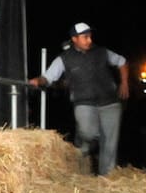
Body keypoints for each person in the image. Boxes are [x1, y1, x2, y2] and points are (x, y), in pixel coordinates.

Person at [28, 22, 129, 176]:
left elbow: (122, 62)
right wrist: (38, 81)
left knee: (110, 142)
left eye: (90, 36)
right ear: (74, 39)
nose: (89, 40)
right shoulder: (64, 58)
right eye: (85, 37)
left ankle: (107, 177)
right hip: (84, 102)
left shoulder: (102, 52)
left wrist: (124, 83)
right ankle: (84, 144)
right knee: (88, 133)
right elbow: (48, 77)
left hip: (110, 101)